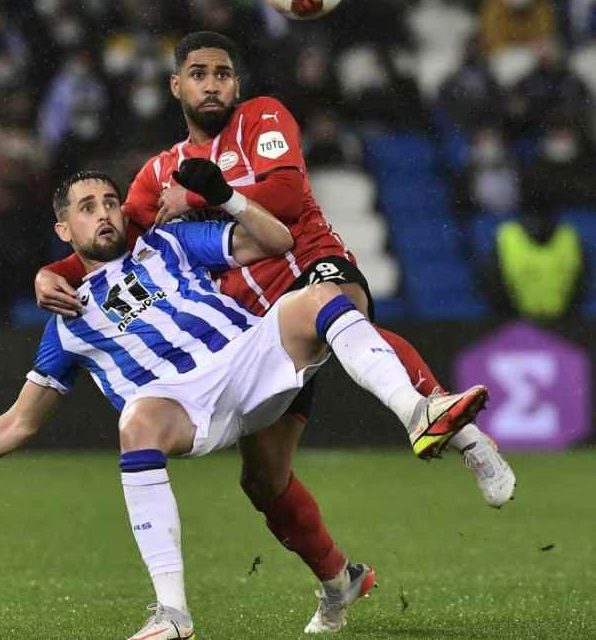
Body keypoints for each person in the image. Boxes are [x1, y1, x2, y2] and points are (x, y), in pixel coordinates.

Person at [0, 168, 489, 640]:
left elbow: (274, 239)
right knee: (137, 422)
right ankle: (173, 613)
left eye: (110, 202)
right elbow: (18, 423)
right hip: (185, 410)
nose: (105, 213)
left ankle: (417, 413)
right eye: (87, 208)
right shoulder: (67, 324)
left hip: (249, 359)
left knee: (317, 297)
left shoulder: (170, 244)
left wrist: (227, 194)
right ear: (65, 231)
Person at [32, 32, 515, 631]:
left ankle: (452, 429)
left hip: (309, 262)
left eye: (223, 74)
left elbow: (287, 193)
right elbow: (112, 240)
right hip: (251, 331)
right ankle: (341, 582)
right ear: (176, 86)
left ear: (236, 84)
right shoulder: (156, 173)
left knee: (336, 303)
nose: (213, 84)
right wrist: (49, 272)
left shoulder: (264, 116)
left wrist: (211, 194)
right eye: (199, 74)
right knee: (263, 481)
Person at [483, 188, 588, 321]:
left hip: (562, 322)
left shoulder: (569, 236)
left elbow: (583, 283)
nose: (539, 222)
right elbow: (493, 284)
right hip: (517, 324)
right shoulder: (506, 236)